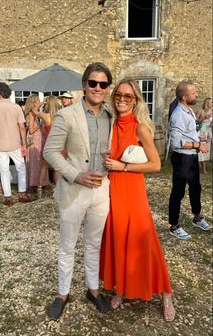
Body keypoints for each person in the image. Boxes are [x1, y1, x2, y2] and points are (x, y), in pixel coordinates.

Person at [99, 77, 175, 322]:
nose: (122, 99)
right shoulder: (108, 122)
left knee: (144, 241)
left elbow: (155, 164)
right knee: (118, 237)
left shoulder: (140, 126)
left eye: (128, 96)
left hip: (131, 189)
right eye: (119, 95)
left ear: (136, 100)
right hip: (112, 189)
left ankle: (166, 293)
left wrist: (122, 166)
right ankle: (120, 288)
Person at [44, 62, 113, 320]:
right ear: (84, 85)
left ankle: (92, 290)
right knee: (68, 244)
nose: (98, 88)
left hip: (102, 189)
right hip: (74, 189)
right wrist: (76, 175)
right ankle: (63, 294)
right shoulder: (67, 114)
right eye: (93, 83)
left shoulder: (110, 116)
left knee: (94, 244)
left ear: (107, 88)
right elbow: (49, 152)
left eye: (103, 84)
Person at [168, 81, 211, 240]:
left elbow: (188, 133)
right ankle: (174, 226)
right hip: (182, 158)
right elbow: (176, 142)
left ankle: (197, 217)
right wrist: (198, 144)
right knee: (178, 192)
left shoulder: (190, 111)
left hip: (191, 157)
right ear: (184, 97)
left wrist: (199, 137)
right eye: (194, 93)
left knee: (195, 188)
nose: (197, 95)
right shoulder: (178, 115)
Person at [0, 82, 35, 206]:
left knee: (4, 170)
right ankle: (22, 194)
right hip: (15, 143)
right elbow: (22, 128)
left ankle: (8, 197)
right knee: (21, 168)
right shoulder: (16, 107)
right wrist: (24, 144)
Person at [33, 95, 59, 197]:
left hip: (48, 143)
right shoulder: (59, 116)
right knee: (57, 168)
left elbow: (34, 110)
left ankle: (39, 189)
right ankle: (57, 190)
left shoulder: (45, 116)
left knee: (44, 166)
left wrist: (41, 103)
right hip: (58, 143)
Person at [24, 94, 49, 191]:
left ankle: (41, 182)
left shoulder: (36, 113)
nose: (39, 102)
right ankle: (35, 183)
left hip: (39, 138)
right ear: (34, 102)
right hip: (34, 139)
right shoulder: (31, 114)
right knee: (35, 161)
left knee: (39, 161)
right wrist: (41, 125)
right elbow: (31, 130)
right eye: (38, 100)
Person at [196, 97, 212, 174]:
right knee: (202, 149)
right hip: (202, 131)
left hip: (209, 132)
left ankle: (203, 167)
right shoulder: (200, 111)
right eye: (211, 102)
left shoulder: (211, 112)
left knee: (207, 149)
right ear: (207, 103)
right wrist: (203, 117)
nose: (212, 104)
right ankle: (202, 168)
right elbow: (195, 121)